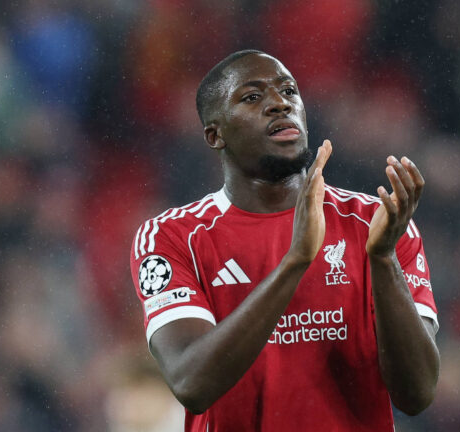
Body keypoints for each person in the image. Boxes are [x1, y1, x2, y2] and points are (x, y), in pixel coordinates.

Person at [129, 50, 439, 431]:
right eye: (252, 97)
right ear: (215, 134)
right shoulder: (172, 237)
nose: (280, 103)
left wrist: (383, 260)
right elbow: (192, 382)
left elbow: (417, 393)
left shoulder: (378, 224)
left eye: (289, 91)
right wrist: (295, 261)